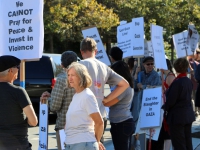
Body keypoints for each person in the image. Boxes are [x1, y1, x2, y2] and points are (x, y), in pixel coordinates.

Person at [79, 37, 129, 142]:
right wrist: (106, 99)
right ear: (96, 51)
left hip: (84, 116)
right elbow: (124, 84)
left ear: (81, 51)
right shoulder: (104, 67)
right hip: (101, 115)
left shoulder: (79, 66)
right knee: (98, 145)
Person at [40, 51, 77, 150]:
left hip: (64, 125)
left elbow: (54, 106)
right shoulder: (83, 77)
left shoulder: (61, 79)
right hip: (82, 126)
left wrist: (51, 98)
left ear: (61, 65)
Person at [0, 55, 38, 150]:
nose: (18, 69)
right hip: (18, 145)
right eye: (17, 67)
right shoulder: (18, 91)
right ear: (10, 71)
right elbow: (33, 121)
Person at [65, 62, 105, 150]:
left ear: (81, 77)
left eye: (73, 75)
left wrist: (97, 141)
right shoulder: (76, 95)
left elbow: (99, 122)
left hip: (83, 144)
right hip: (72, 143)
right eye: (68, 75)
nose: (70, 78)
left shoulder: (87, 96)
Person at [163, 57, 195, 150]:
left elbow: (172, 100)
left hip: (177, 117)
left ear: (176, 68)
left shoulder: (177, 82)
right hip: (187, 115)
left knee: (179, 144)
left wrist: (165, 107)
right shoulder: (188, 81)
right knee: (187, 142)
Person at [102, 61, 134, 150]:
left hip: (122, 124)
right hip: (120, 123)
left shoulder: (123, 88)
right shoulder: (122, 86)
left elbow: (107, 103)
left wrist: (98, 92)